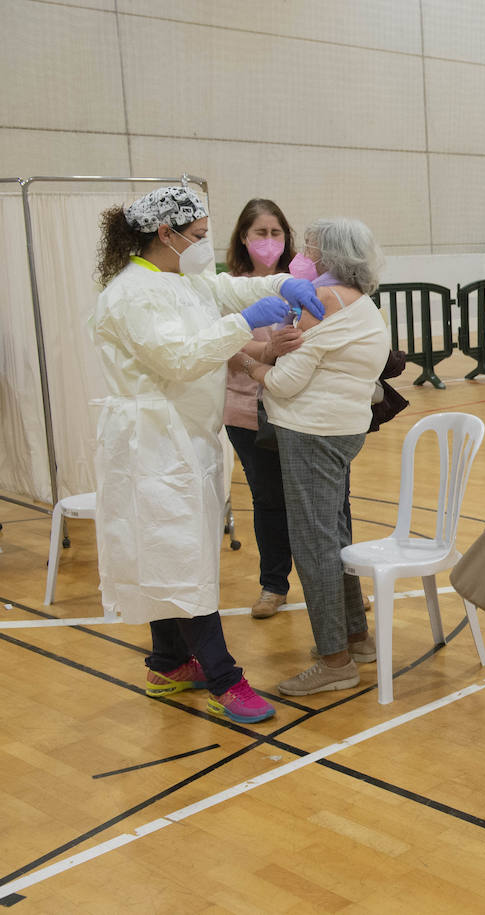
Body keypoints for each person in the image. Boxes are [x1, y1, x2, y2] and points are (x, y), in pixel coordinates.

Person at [91, 185, 325, 723]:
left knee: (172, 550)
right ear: (164, 234)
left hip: (184, 437)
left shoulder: (180, 280)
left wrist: (280, 282)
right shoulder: (130, 294)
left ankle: (169, 663)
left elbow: (223, 289)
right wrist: (247, 325)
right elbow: (179, 357)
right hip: (152, 443)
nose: (204, 246)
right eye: (196, 237)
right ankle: (224, 677)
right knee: (180, 557)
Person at [232, 219, 390, 695]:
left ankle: (335, 661)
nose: (301, 254)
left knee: (314, 544)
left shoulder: (322, 303)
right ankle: (356, 639)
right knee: (333, 534)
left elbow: (281, 382)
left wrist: (241, 358)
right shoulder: (359, 303)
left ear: (329, 257)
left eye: (309, 247)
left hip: (312, 432)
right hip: (338, 430)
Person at [223, 199, 300, 619]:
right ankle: (273, 585)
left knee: (318, 502)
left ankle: (334, 581)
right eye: (260, 233)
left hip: (301, 411)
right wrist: (267, 350)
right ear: (243, 238)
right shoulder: (227, 287)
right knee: (268, 500)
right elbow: (225, 344)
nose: (269, 241)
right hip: (247, 411)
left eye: (276, 233)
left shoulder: (300, 282)